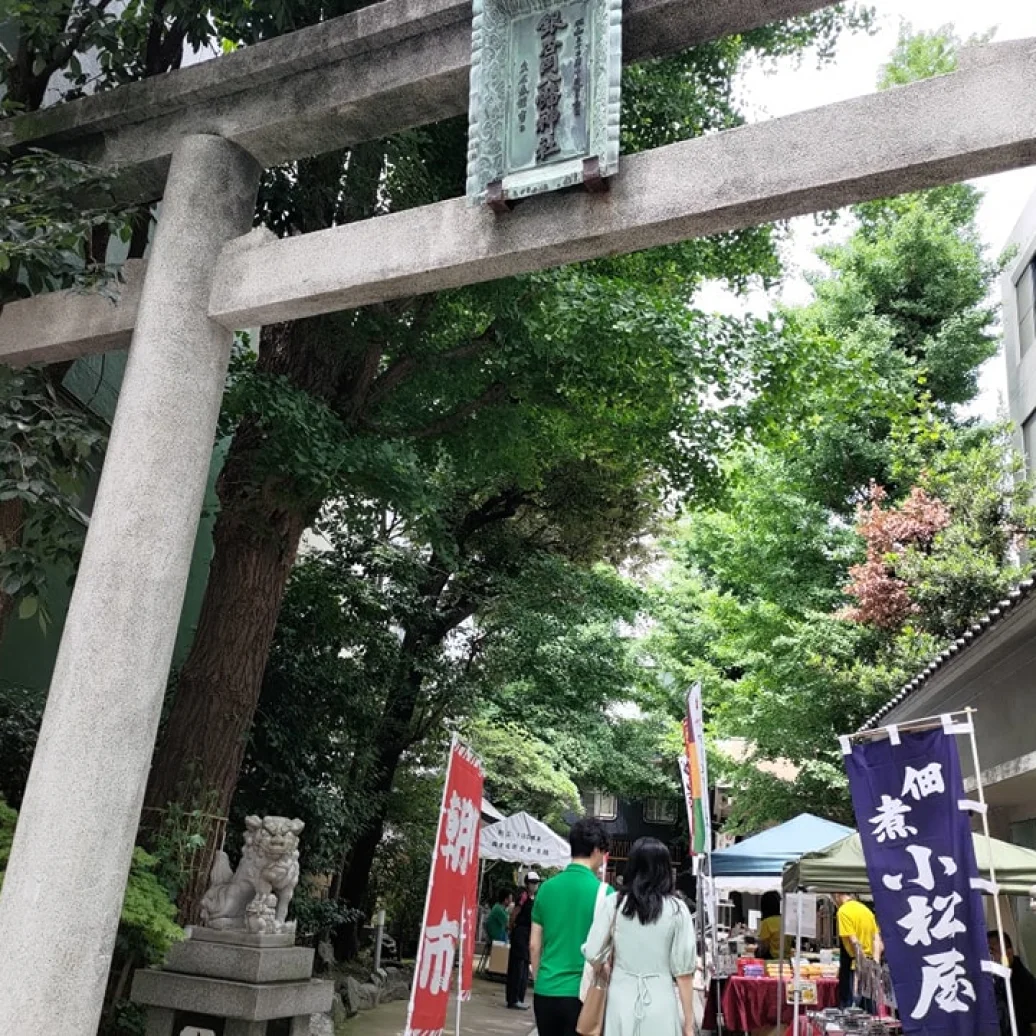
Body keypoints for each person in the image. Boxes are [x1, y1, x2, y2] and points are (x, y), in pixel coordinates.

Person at [583, 837, 696, 1036]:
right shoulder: (678, 909)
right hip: (661, 1002)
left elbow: (592, 951)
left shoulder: (615, 904)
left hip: (620, 999)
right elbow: (684, 972)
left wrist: (607, 967)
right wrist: (689, 1023)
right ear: (665, 870)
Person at [529, 818, 612, 1036]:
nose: (603, 861)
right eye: (603, 854)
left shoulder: (546, 889)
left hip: (545, 990)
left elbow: (534, 946)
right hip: (581, 994)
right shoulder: (606, 895)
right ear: (596, 850)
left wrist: (541, 981)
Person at [832, 893, 881, 1009]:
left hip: (855, 964)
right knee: (869, 1007)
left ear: (836, 895)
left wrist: (861, 964)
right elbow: (876, 938)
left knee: (851, 1008)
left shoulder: (843, 911)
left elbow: (854, 941)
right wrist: (875, 962)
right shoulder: (866, 910)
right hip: (870, 963)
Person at [989, 931, 1036, 1036]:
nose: (987, 957)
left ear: (1008, 954)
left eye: (991, 952)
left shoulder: (1023, 981)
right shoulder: (993, 978)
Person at [506, 871, 540, 1010]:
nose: (535, 885)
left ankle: (520, 997)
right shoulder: (523, 895)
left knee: (525, 967)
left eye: (537, 883)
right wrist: (511, 927)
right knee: (517, 967)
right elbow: (515, 912)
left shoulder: (534, 898)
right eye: (532, 883)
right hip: (520, 932)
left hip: (528, 934)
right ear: (527, 883)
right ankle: (513, 999)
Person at [757, 891, 790, 960]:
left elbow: (764, 947)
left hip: (772, 961)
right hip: (787, 961)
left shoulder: (767, 922)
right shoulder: (787, 920)